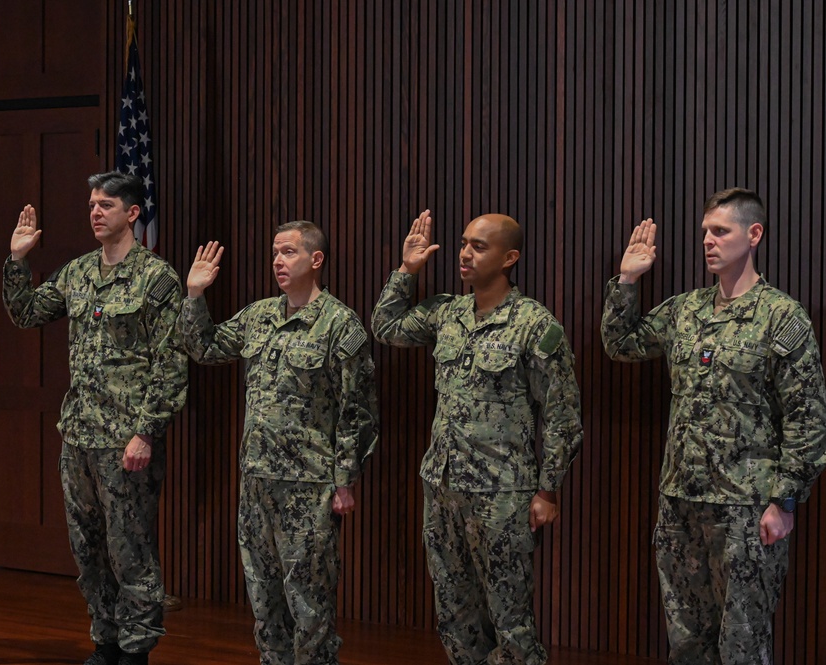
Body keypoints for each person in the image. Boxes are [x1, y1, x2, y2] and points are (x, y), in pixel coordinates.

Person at [600, 188, 826, 664]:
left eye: (720, 231)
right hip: (681, 503)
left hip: (745, 510)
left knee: (742, 646)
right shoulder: (687, 310)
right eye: (705, 231)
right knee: (686, 644)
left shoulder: (781, 318)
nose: (708, 240)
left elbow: (807, 417)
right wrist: (626, 280)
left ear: (754, 234)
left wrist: (784, 500)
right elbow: (621, 344)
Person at [372, 210, 582, 665]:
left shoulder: (534, 325)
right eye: (464, 243)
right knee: (455, 615)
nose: (465, 253)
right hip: (443, 487)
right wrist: (407, 271)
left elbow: (563, 416)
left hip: (503, 493)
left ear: (510, 258)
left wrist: (548, 490)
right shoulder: (447, 312)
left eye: (479, 246)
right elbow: (386, 328)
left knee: (511, 621)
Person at [2, 172, 187, 665]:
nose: (95, 213)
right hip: (80, 433)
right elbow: (25, 314)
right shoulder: (79, 271)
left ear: (132, 213)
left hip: (126, 437)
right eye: (91, 205)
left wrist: (146, 432)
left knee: (131, 547)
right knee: (87, 547)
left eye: (106, 204)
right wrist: (19, 260)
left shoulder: (157, 278)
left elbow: (170, 363)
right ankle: (104, 638)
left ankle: (136, 646)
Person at [176, 221, 378, 665]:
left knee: (309, 602)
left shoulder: (339, 325)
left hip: (308, 486)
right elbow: (205, 348)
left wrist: (345, 481)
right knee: (264, 600)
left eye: (288, 252)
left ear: (316, 260)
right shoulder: (259, 315)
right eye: (274, 253)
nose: (278, 262)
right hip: (257, 482)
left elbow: (357, 410)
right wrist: (194, 296)